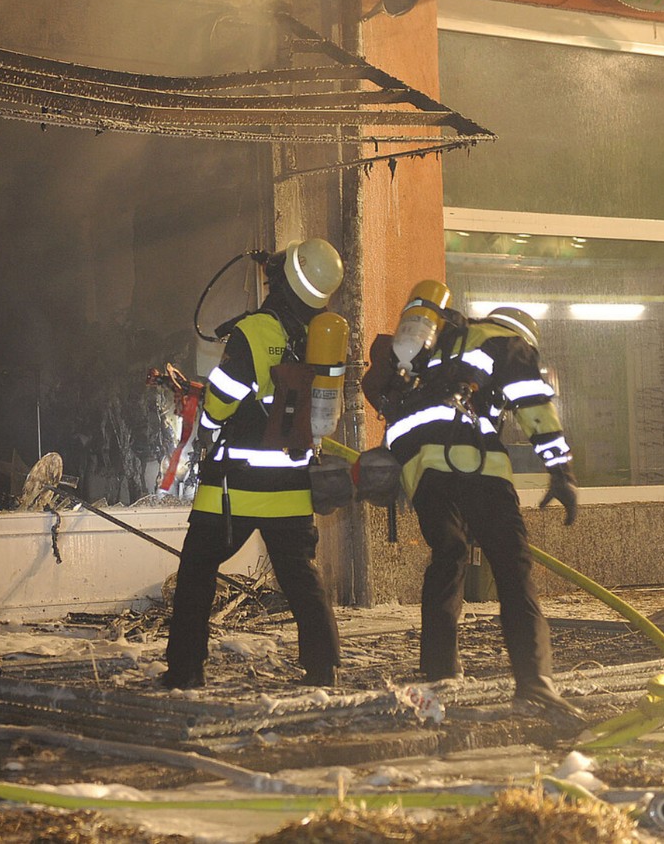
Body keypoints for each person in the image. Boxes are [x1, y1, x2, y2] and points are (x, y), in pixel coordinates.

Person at [365, 296, 584, 720]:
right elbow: (531, 400)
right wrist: (560, 469)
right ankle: (535, 684)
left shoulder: (438, 346)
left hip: (420, 468)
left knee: (448, 557)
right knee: (512, 567)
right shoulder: (506, 342)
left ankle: (439, 672)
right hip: (471, 460)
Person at [162, 238, 345, 689]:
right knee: (302, 579)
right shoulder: (318, 334)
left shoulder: (255, 331)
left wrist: (204, 417)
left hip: (236, 486)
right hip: (291, 485)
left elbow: (221, 402)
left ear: (281, 281)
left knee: (196, 574)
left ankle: (186, 672)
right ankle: (324, 670)